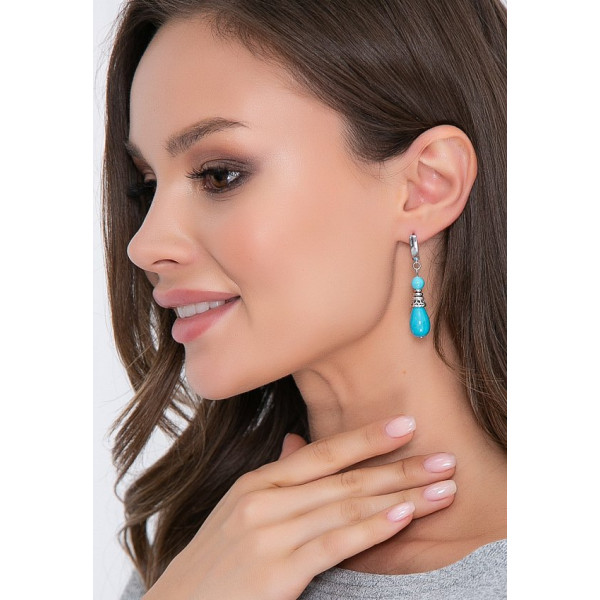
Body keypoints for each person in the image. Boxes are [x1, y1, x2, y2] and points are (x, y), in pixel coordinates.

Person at [101, 0, 507, 598]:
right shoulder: (210, 551)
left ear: (427, 186)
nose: (144, 246)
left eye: (218, 174)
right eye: (147, 186)